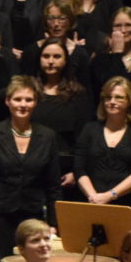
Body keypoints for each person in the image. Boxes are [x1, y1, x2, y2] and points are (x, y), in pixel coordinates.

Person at [0, 76, 61, 262]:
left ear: (35, 103)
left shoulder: (47, 136)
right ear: (7, 101)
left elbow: (53, 186)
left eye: (28, 100)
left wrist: (54, 224)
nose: (23, 104)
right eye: (18, 99)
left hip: (32, 214)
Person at [74, 76, 131, 211]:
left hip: (126, 204)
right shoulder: (90, 129)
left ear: (129, 101)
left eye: (119, 97)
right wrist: (93, 196)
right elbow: (79, 168)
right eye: (108, 97)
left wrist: (110, 195)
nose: (112, 102)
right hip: (91, 201)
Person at [32, 37, 91, 190]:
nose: (51, 61)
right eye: (46, 56)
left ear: (66, 61)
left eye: (57, 56)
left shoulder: (77, 93)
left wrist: (76, 172)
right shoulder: (29, 90)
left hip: (64, 170)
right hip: (32, 165)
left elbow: (83, 138)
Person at [90, 8, 131, 92]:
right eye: (117, 26)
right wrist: (117, 54)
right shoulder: (100, 60)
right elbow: (111, 87)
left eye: (128, 25)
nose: (123, 30)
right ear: (111, 29)